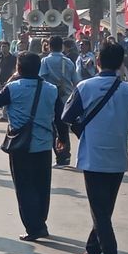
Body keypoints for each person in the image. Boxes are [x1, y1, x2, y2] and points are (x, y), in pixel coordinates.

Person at [60, 42, 128, 254]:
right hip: (117, 155)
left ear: (97, 62)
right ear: (121, 64)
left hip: (93, 156)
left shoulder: (85, 87)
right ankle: (92, 252)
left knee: (100, 212)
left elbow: (66, 116)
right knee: (104, 210)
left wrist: (84, 131)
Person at [0, 52, 64, 242]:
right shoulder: (51, 89)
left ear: (19, 68)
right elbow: (59, 117)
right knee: (42, 186)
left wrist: (10, 79)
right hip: (44, 144)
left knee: (24, 187)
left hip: (20, 146)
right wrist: (62, 138)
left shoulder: (13, 87)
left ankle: (34, 227)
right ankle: (41, 221)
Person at [39, 35, 78, 165]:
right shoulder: (68, 62)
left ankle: (58, 154)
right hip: (66, 98)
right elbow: (76, 81)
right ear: (61, 46)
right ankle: (65, 155)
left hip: (50, 98)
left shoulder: (45, 61)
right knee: (63, 127)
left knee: (51, 127)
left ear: (49, 46)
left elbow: (41, 79)